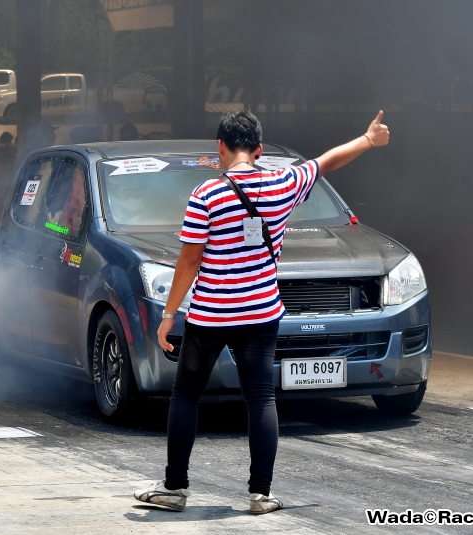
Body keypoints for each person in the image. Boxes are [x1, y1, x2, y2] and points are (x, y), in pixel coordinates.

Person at [133, 110, 390, 514]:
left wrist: (168, 315)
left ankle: (174, 488)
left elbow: (189, 262)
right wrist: (368, 140)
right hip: (260, 313)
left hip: (211, 314)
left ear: (220, 147)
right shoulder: (283, 183)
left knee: (186, 395)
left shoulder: (206, 195)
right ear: (259, 149)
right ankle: (260, 494)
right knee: (260, 398)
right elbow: (327, 161)